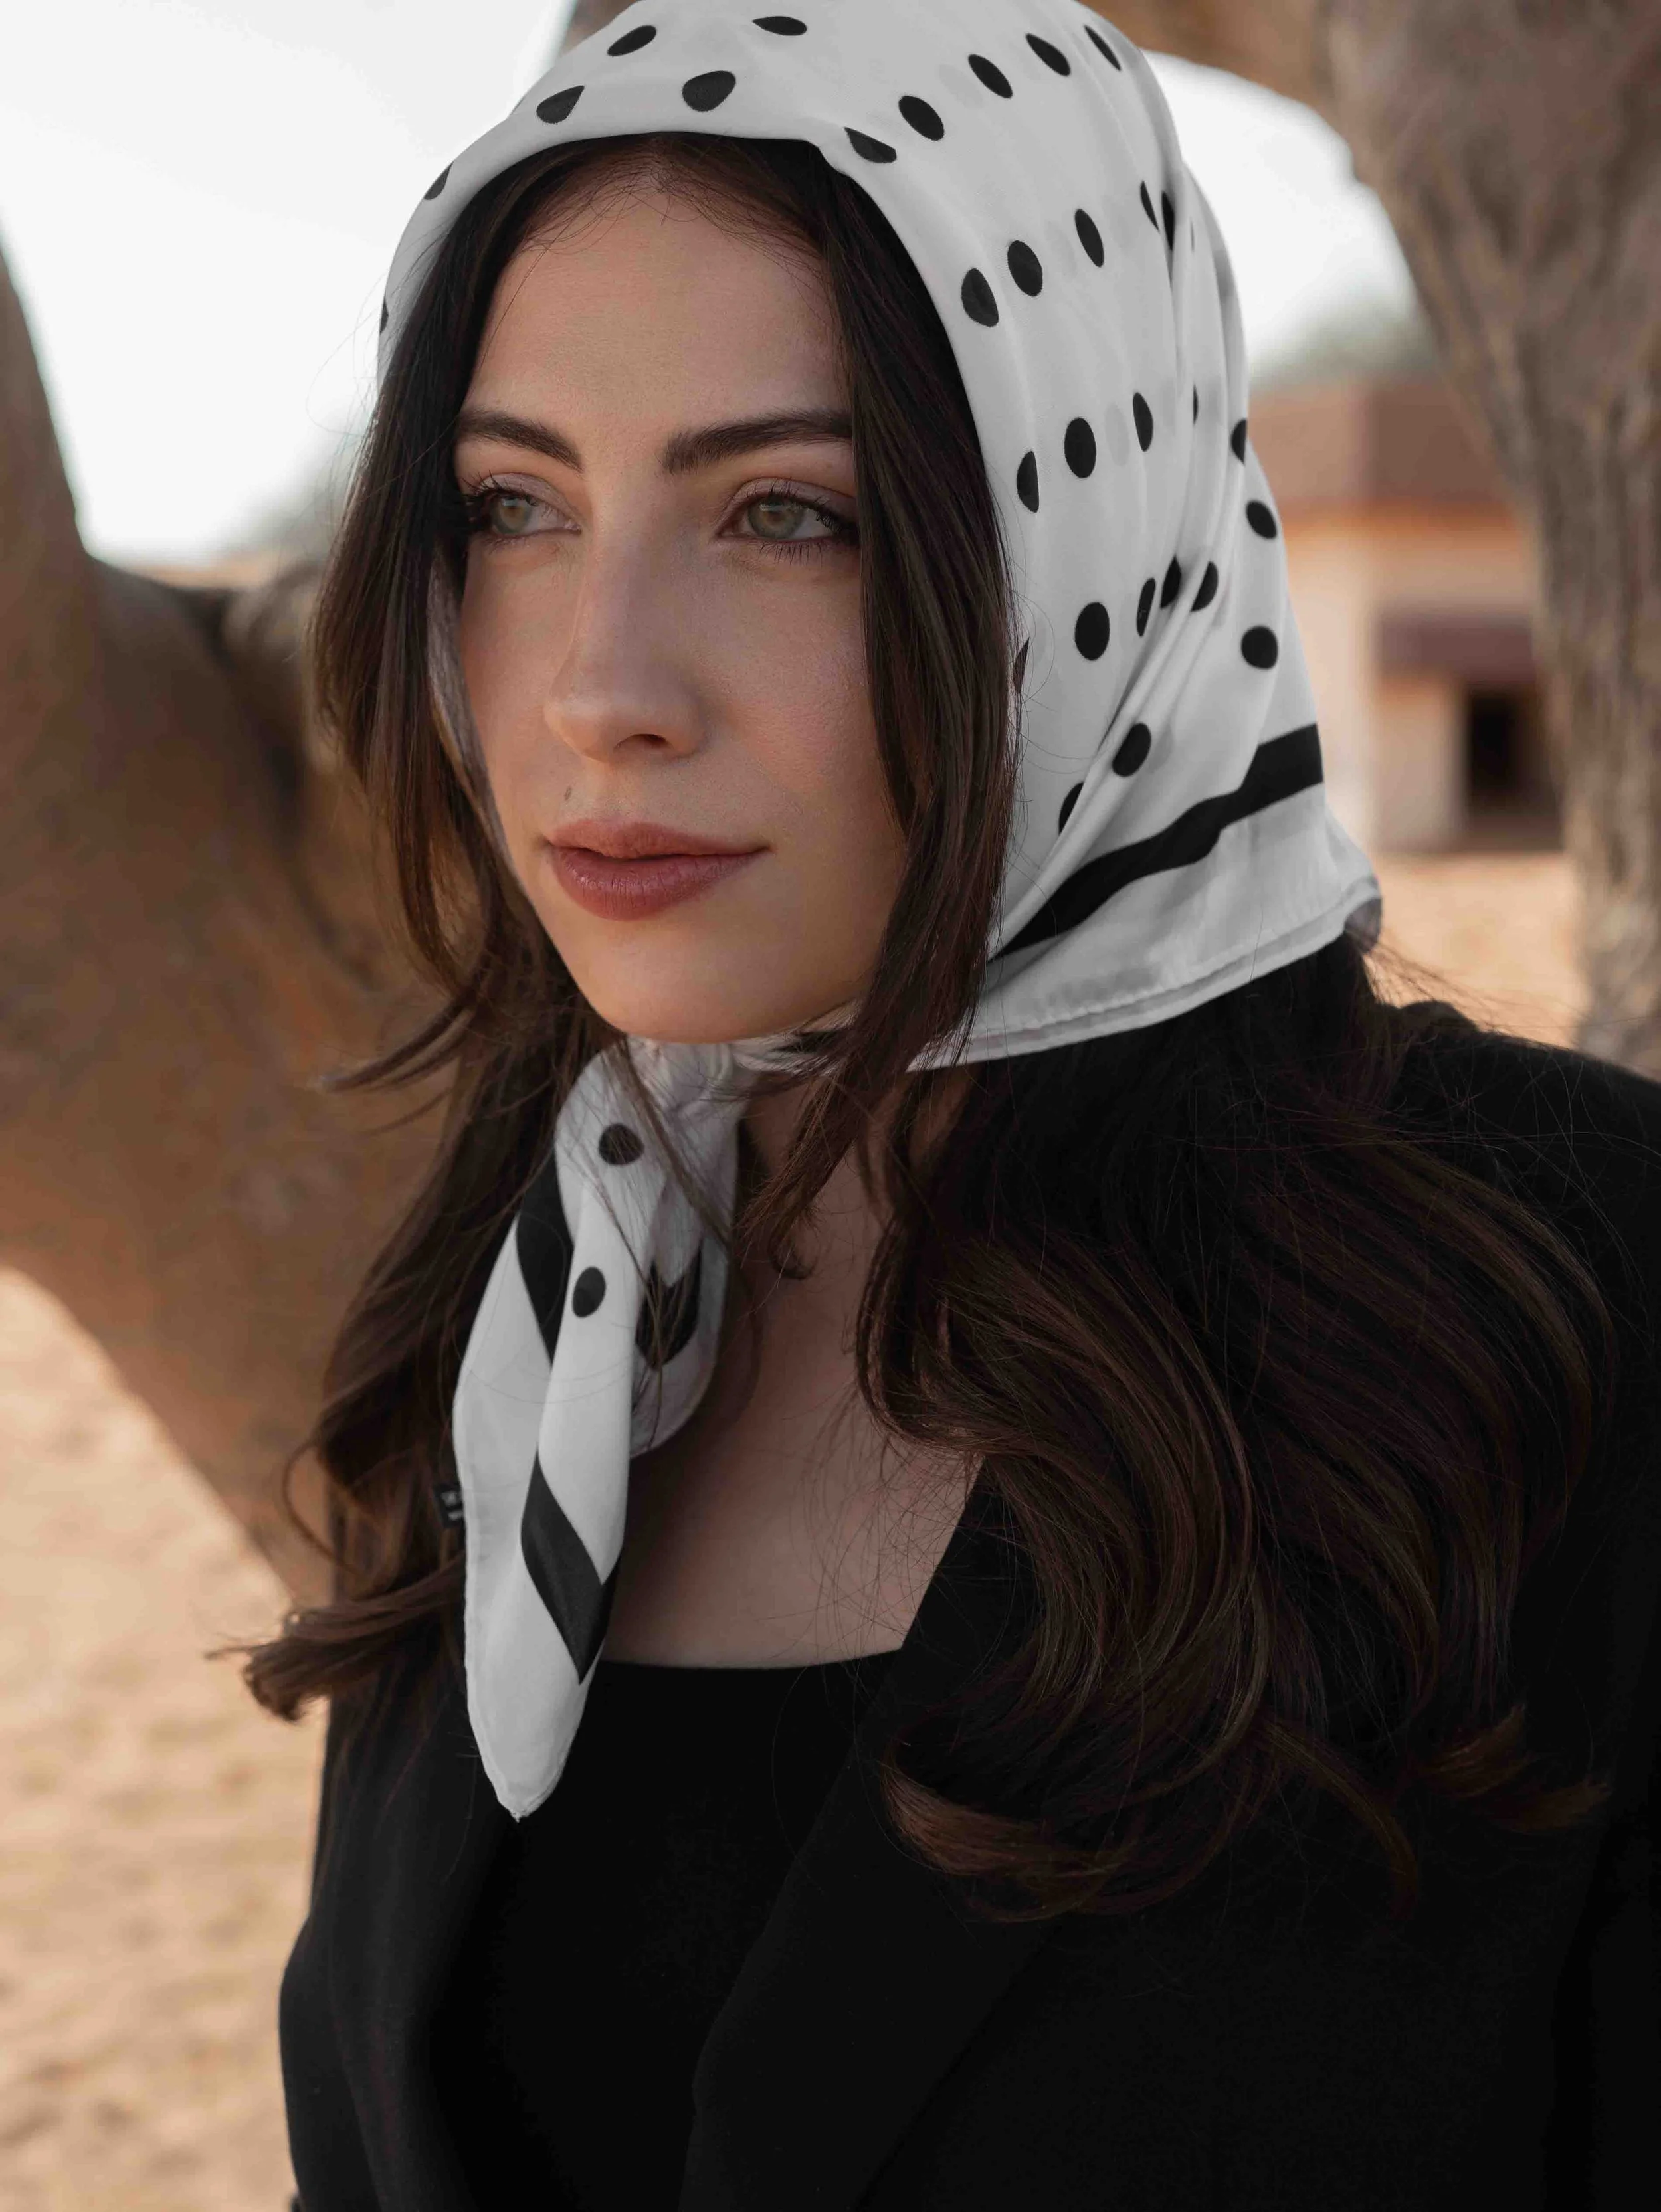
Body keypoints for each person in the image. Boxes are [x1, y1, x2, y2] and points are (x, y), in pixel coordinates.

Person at [250, 3, 1661, 2206]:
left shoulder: (1584, 1298)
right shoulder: (536, 1320)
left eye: (785, 514)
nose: (602, 687)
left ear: (1088, 550)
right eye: (512, 505)